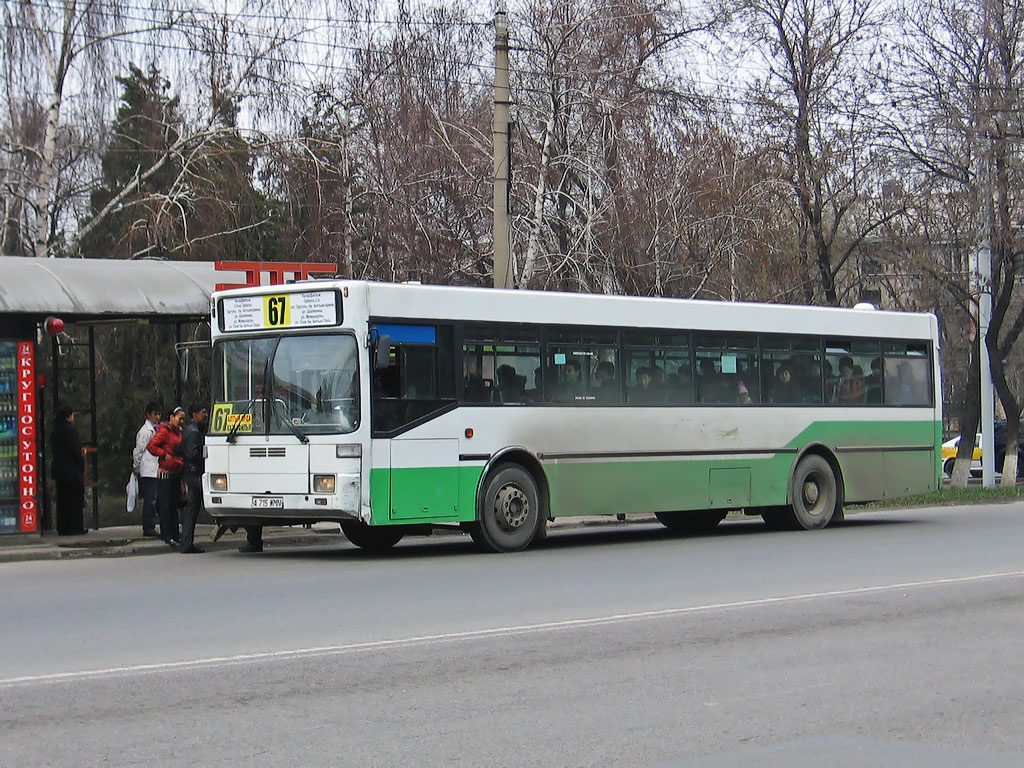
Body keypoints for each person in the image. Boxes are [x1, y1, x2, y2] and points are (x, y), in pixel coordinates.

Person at [147, 406, 187, 549]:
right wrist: (164, 454)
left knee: (174, 505)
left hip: (177, 471)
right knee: (166, 505)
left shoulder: (179, 432)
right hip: (166, 472)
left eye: (183, 418)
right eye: (179, 418)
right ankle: (167, 535)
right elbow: (151, 446)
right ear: (171, 418)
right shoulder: (164, 431)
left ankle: (175, 534)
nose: (181, 421)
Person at [51, 405, 87, 535]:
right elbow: (74, 450)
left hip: (59, 470)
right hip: (71, 471)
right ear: (68, 416)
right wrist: (81, 460)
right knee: (74, 500)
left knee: (62, 500)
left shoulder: (55, 430)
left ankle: (63, 526)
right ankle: (75, 527)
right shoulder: (70, 430)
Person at [178, 403, 208, 554]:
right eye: (203, 412)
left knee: (192, 509)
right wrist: (206, 457)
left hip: (190, 474)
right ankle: (186, 542)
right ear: (195, 414)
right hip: (195, 474)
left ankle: (186, 541)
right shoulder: (195, 432)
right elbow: (192, 454)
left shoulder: (190, 430)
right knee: (192, 509)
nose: (205, 415)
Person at [131, 401, 162, 537]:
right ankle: (148, 527)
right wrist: (136, 467)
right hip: (148, 469)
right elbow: (138, 451)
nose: (157, 417)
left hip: (156, 468)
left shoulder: (158, 429)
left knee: (156, 499)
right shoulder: (145, 432)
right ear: (148, 415)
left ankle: (153, 525)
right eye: (155, 414)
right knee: (151, 500)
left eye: (159, 414)